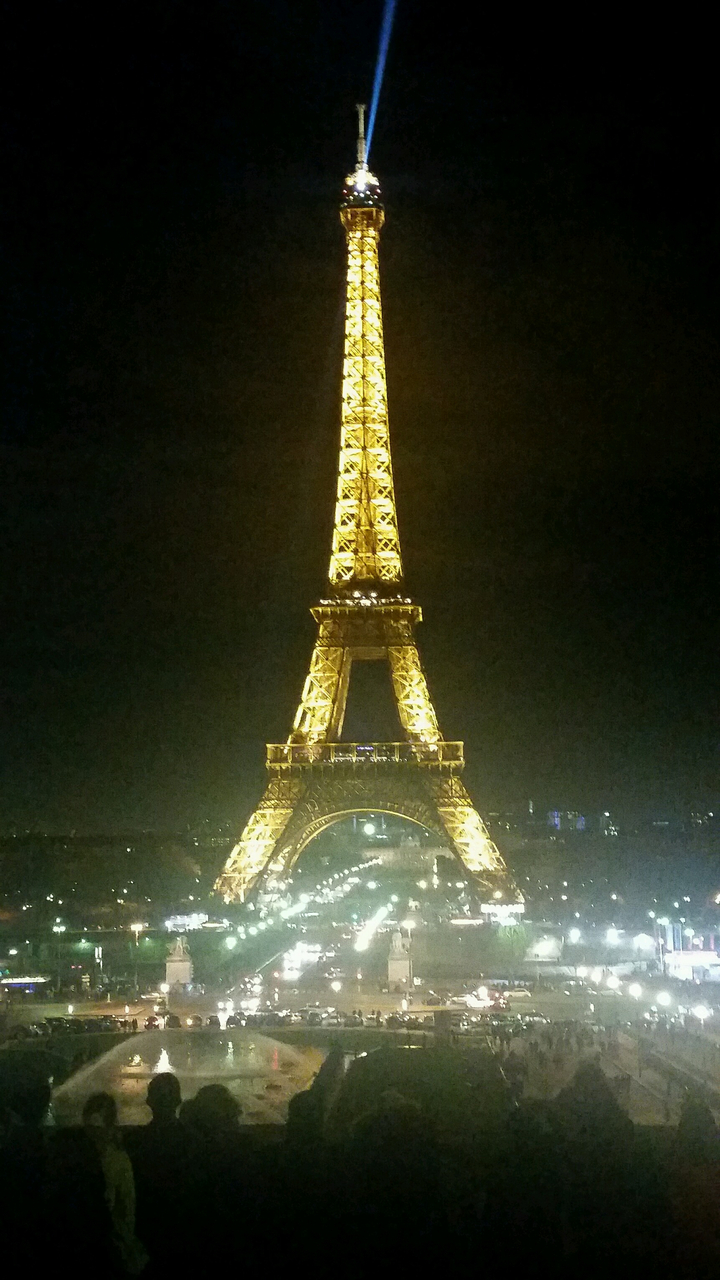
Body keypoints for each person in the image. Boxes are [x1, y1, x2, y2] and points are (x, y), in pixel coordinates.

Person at [83, 1092, 147, 1275]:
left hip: (105, 1241)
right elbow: (128, 1207)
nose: (93, 1135)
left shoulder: (114, 1159)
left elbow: (126, 1206)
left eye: (96, 1128)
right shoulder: (116, 1158)